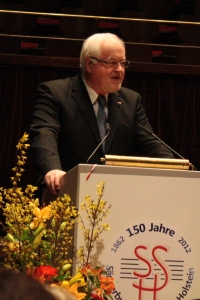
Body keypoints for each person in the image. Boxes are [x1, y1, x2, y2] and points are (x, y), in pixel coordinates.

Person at [30, 32, 174, 195]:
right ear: (90, 64)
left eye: (123, 63)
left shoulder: (131, 101)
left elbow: (151, 143)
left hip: (116, 196)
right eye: (112, 63)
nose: (119, 70)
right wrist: (53, 169)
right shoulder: (56, 94)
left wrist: (179, 169)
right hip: (66, 193)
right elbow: (44, 135)